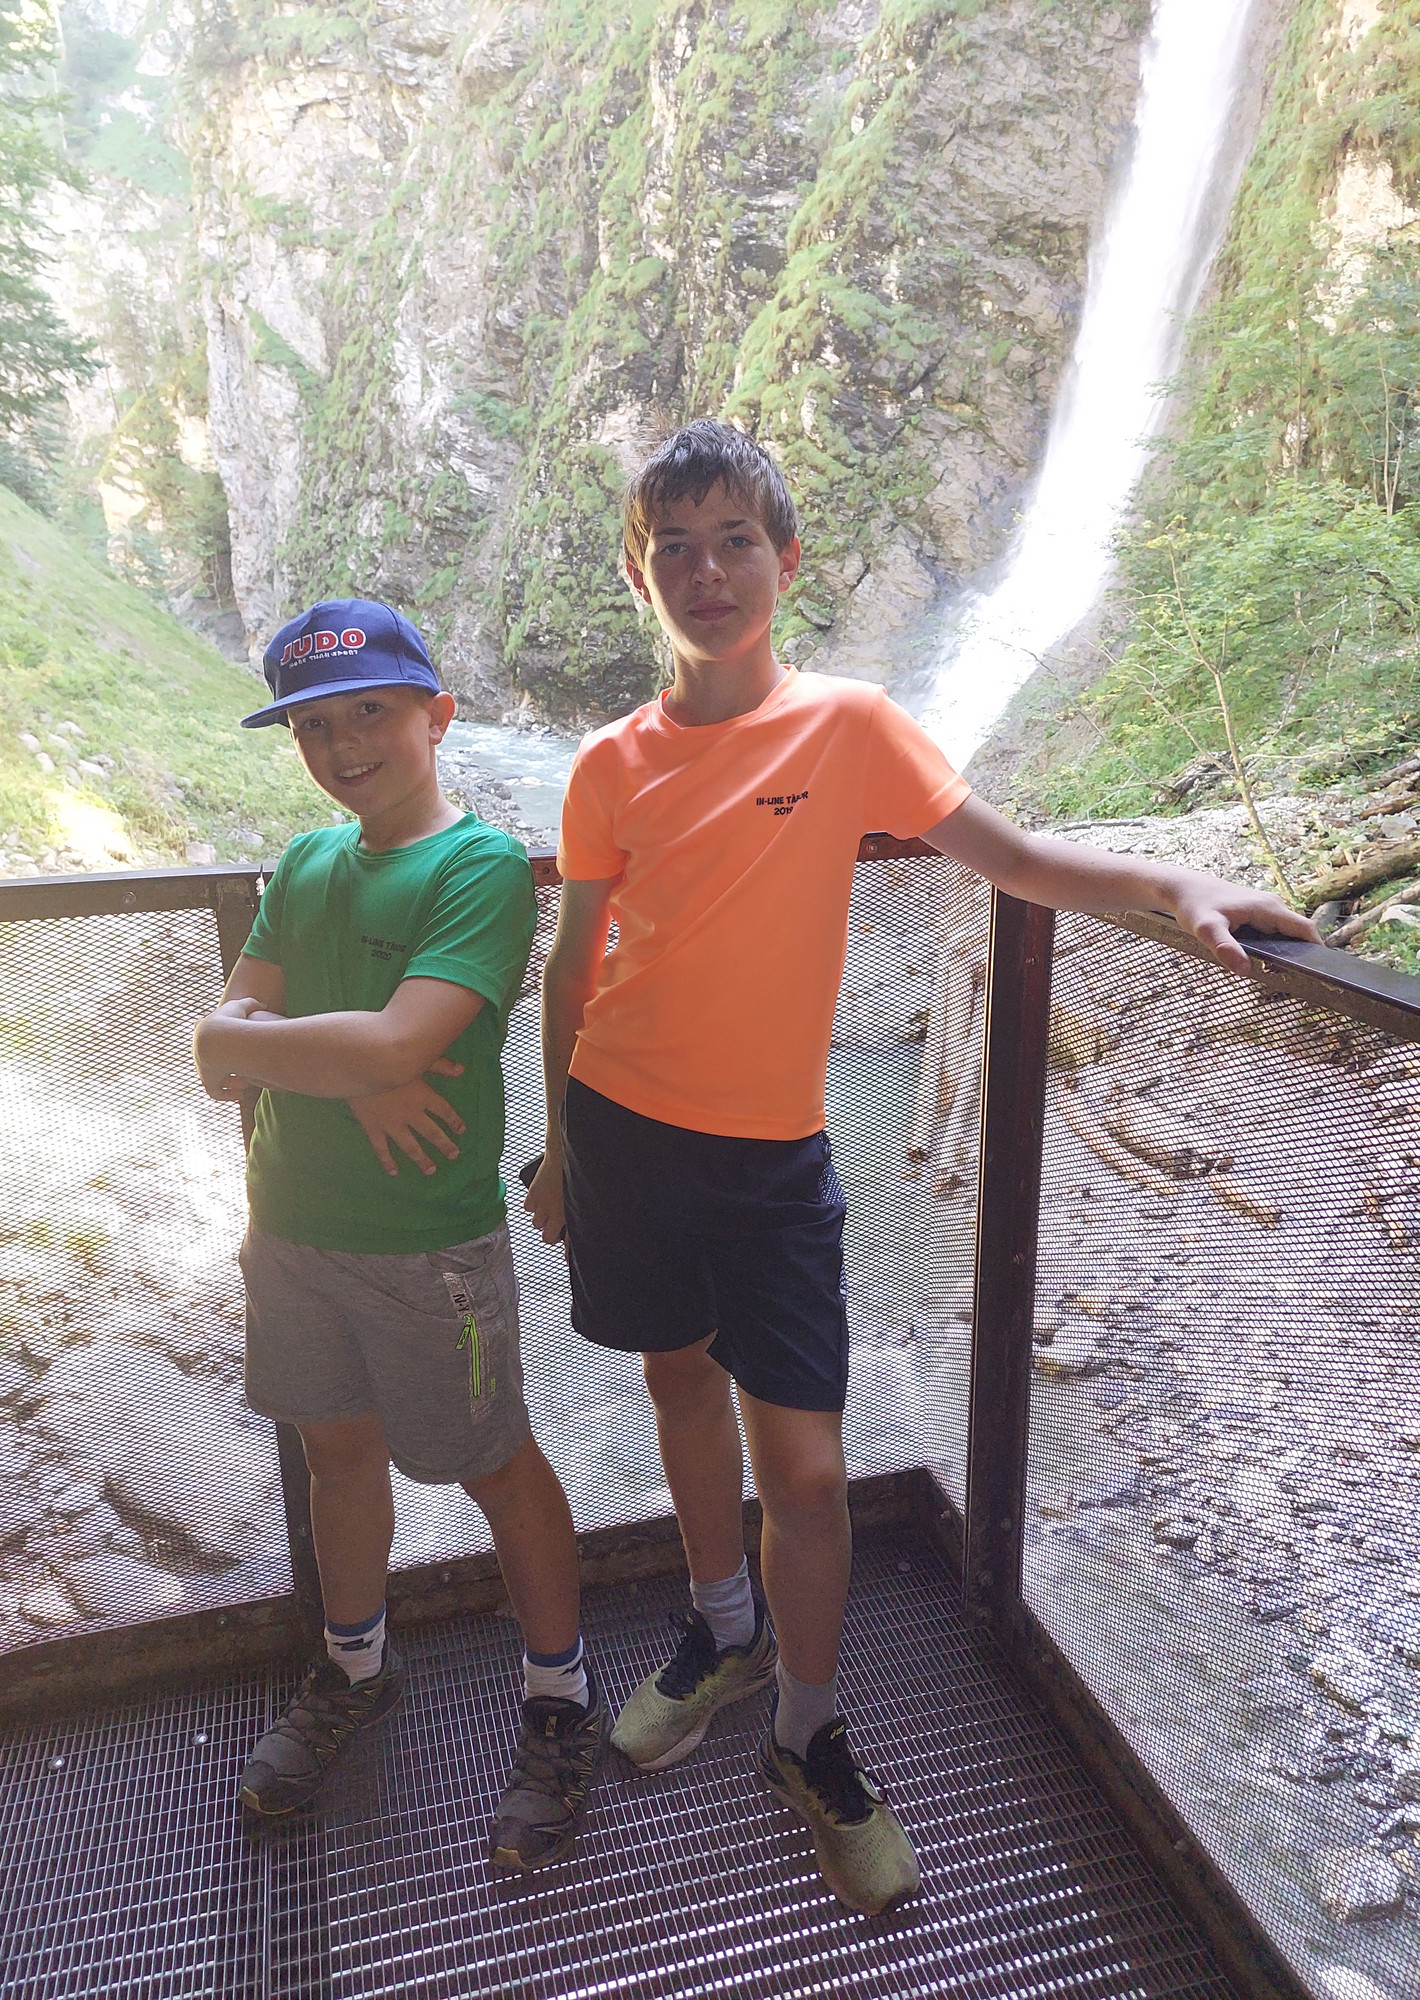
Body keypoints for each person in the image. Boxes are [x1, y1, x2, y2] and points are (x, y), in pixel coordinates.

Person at [524, 420, 1318, 1915]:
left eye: (734, 541)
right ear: (639, 577)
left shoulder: (850, 725)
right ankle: (721, 1628)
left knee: (808, 1472)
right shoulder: (606, 764)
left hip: (770, 1159)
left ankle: (805, 1731)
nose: (706, 572)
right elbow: (576, 968)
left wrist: (1174, 882)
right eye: (674, 548)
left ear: (786, 561)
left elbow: (1012, 860)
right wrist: (559, 1149)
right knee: (676, 1380)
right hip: (621, 1128)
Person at [194, 598, 602, 1871]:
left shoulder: (480, 868)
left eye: (370, 710)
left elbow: (386, 1037)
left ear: (438, 715)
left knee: (495, 1463)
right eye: (315, 725)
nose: (344, 744)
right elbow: (217, 1053)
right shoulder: (305, 864)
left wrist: (336, 1056)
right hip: (289, 1227)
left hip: (429, 1248)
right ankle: (354, 1664)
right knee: (336, 1450)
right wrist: (356, 1072)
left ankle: (560, 1695)